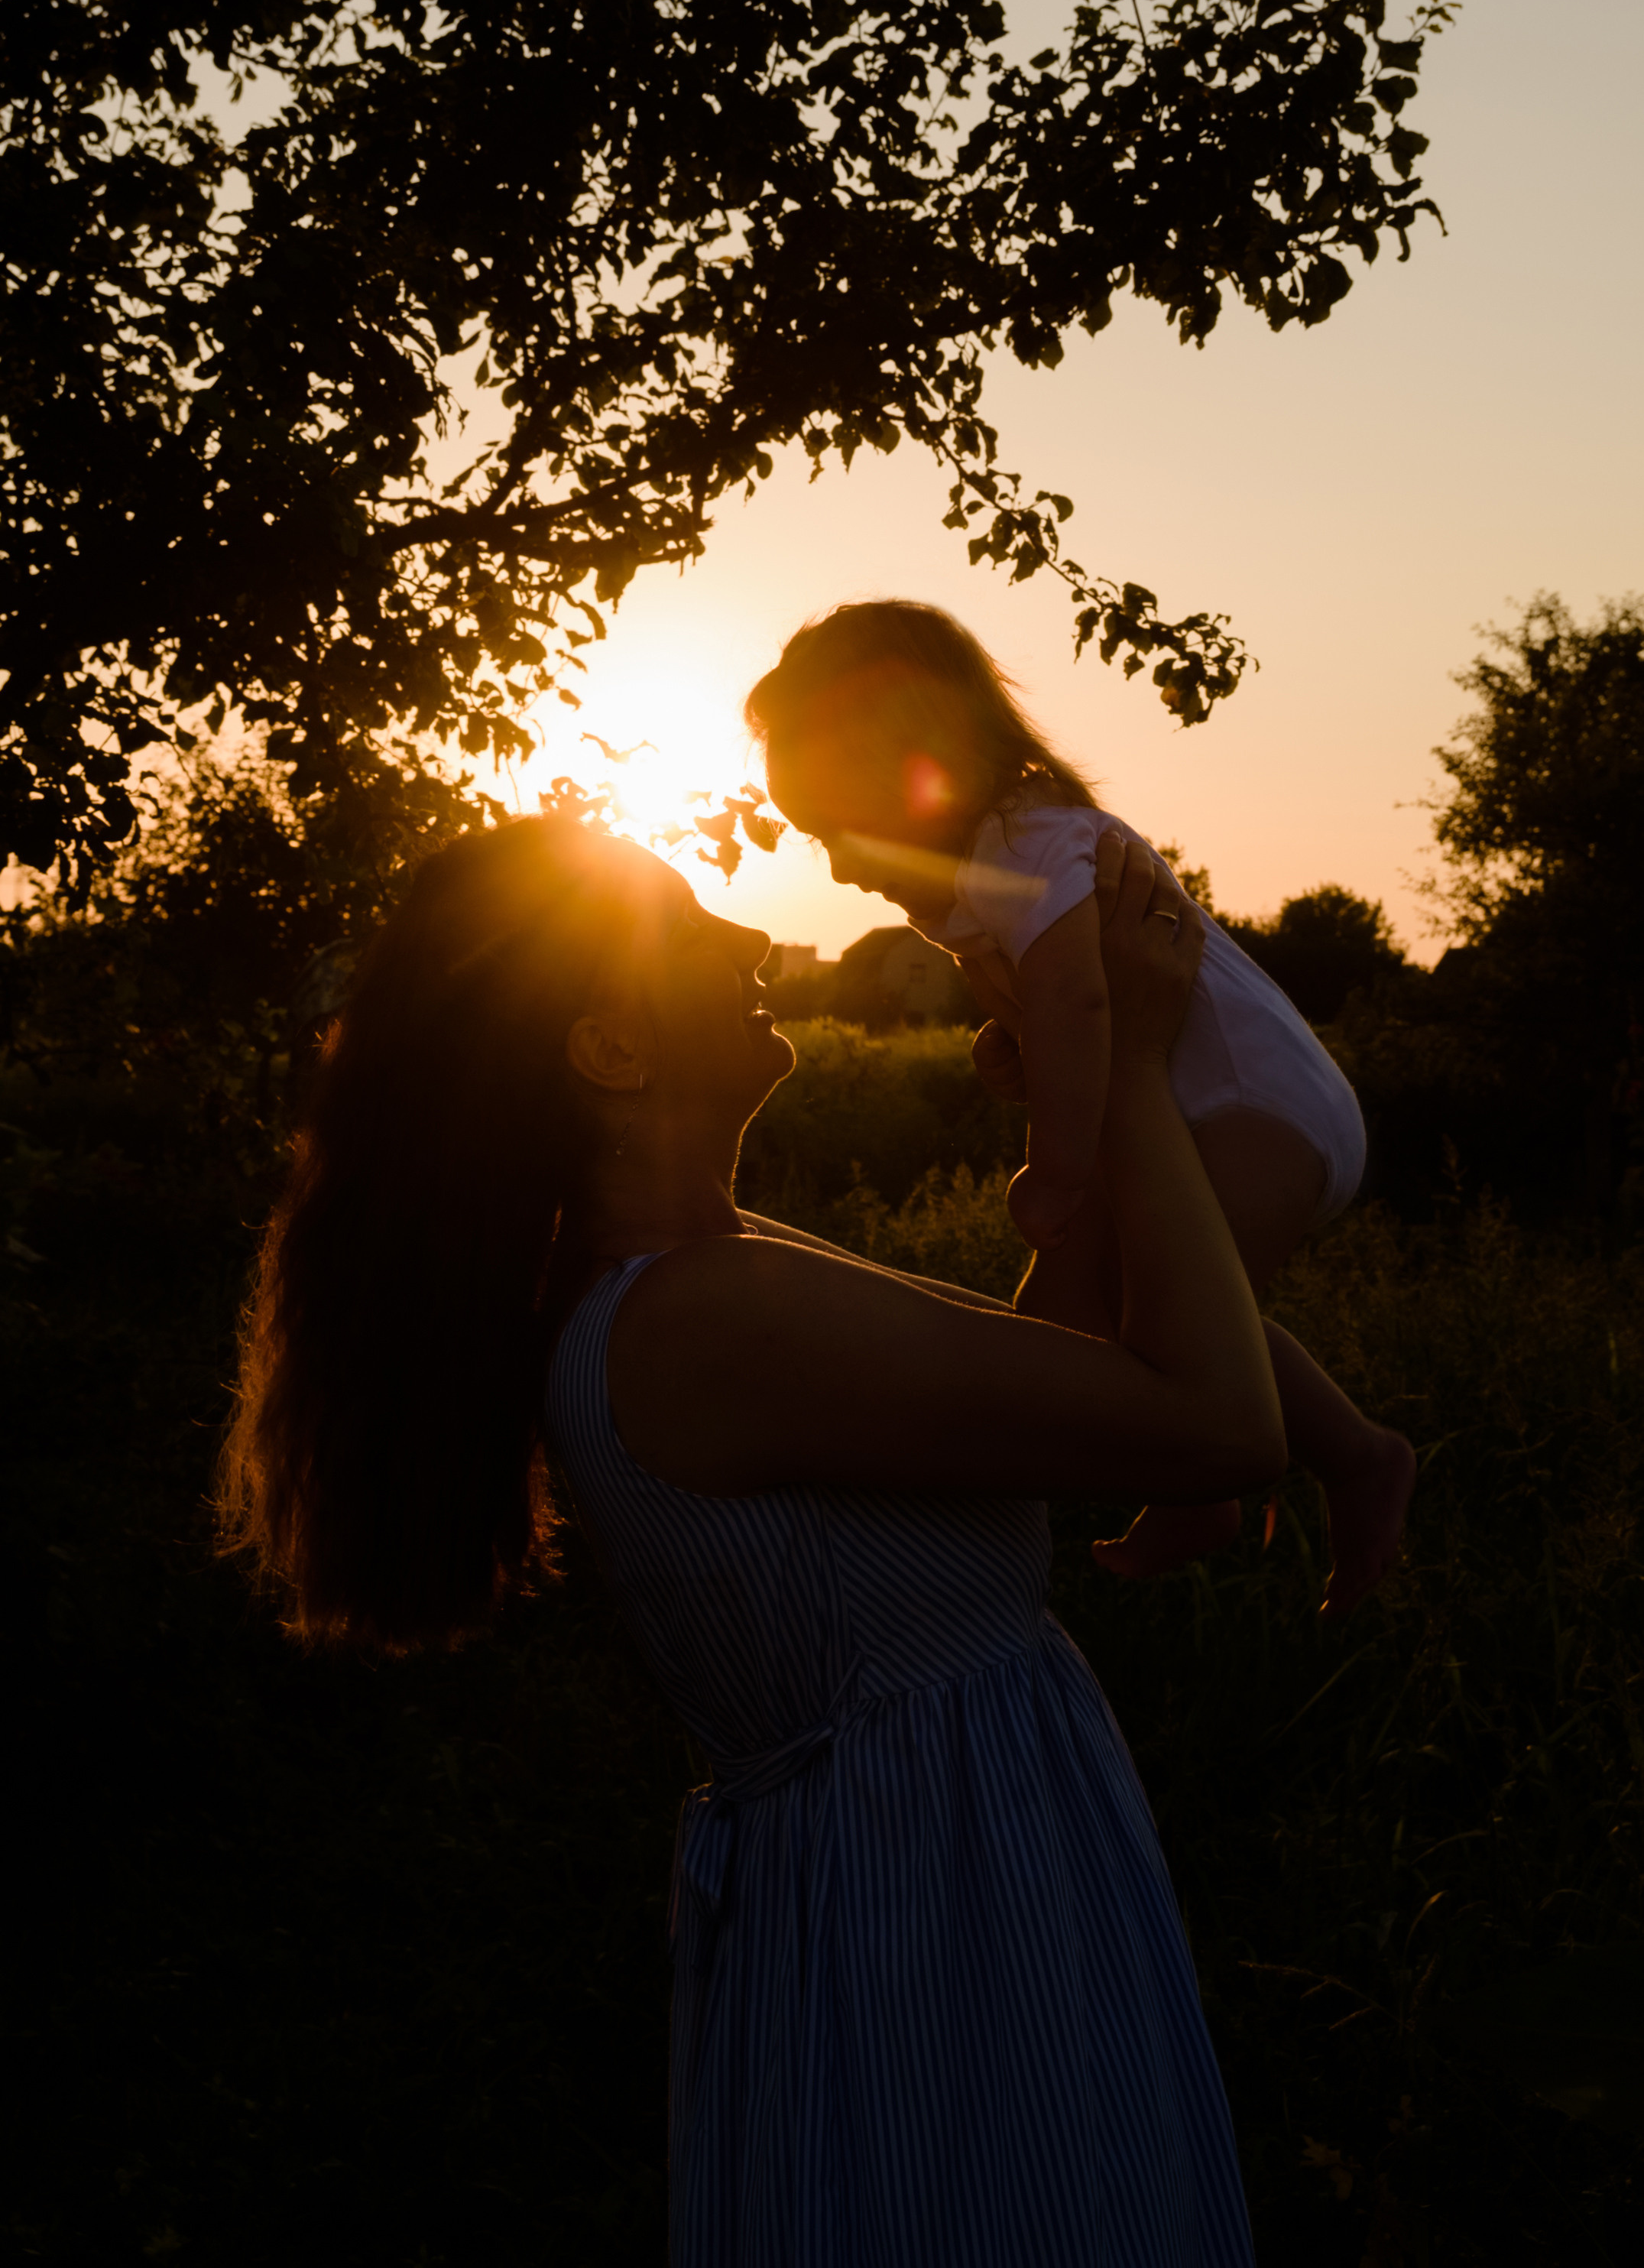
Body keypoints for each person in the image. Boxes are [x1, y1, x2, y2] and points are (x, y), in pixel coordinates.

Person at [221, 810, 1285, 2266]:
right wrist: (1146, 1081)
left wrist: (1080, 1118)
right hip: (939, 1923)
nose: (744, 935)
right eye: (685, 925)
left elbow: (1036, 1407)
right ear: (612, 1049)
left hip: (928, 1890)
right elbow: (1218, 1425)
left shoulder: (715, 1277)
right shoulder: (702, 1318)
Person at [745, 597, 1415, 1617]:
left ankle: (1270, 1471)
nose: (836, 865)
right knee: (1120, 1322)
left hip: (1259, 1105)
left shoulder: (1029, 841)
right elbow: (1051, 1011)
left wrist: (1054, 1164)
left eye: (839, 827)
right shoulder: (988, 868)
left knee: (1168, 1328)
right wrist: (1014, 1047)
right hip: (1204, 1109)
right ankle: (1265, 1475)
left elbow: (1079, 997)